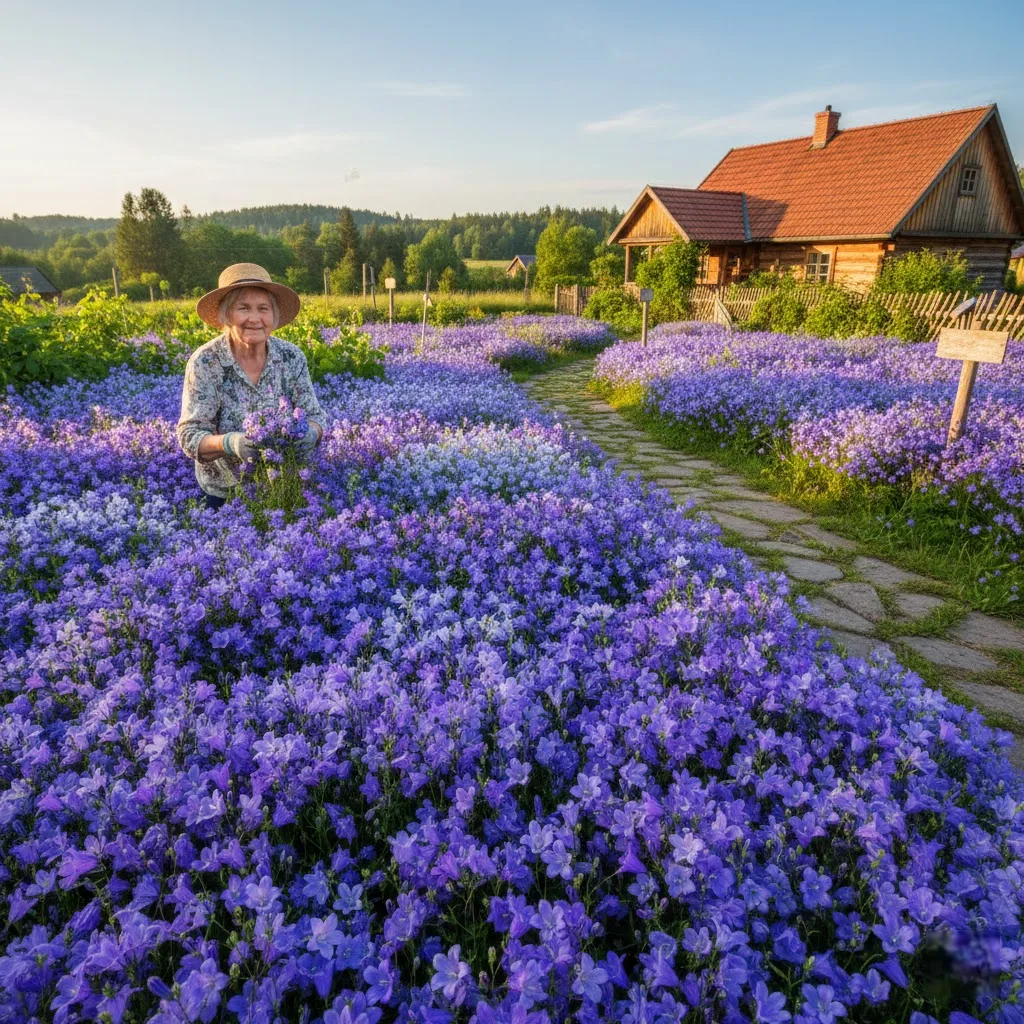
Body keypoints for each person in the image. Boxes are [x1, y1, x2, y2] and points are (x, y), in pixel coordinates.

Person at [177, 263, 326, 509]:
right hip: (227, 495)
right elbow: (190, 436)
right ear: (226, 315)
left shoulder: (291, 357)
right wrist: (230, 443)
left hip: (285, 489)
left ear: (274, 316)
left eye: (263, 309)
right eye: (243, 308)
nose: (255, 318)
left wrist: (311, 434)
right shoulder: (206, 361)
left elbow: (314, 416)